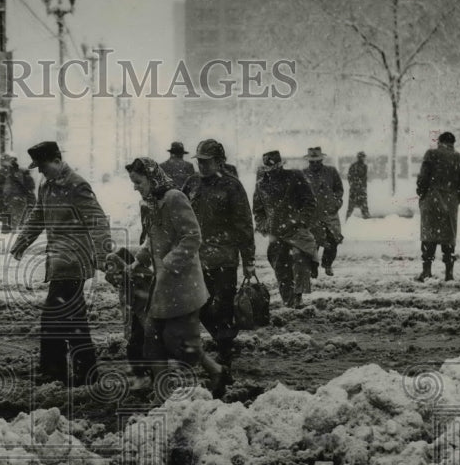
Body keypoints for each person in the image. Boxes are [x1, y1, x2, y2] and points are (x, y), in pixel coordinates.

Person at [121, 157, 228, 397]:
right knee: (153, 337)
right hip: (162, 285)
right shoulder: (150, 203)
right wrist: (140, 260)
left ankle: (216, 371)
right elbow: (153, 237)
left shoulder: (174, 198)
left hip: (182, 285)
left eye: (138, 181)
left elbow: (192, 237)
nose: (135, 187)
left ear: (151, 178)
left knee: (179, 341)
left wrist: (168, 263)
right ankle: (164, 391)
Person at [10, 141, 112, 387]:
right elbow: (39, 215)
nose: (41, 173)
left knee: (54, 316)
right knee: (72, 318)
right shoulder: (47, 185)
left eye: (43, 167)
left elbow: (97, 222)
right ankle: (83, 372)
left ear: (57, 161)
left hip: (74, 261)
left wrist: (104, 256)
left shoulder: (76, 185)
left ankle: (56, 371)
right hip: (58, 261)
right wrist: (22, 241)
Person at [182, 138, 256, 386]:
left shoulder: (232, 186)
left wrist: (248, 259)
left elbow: (244, 224)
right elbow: (178, 213)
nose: (201, 166)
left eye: (206, 161)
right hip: (196, 259)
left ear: (219, 162)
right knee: (199, 306)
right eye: (199, 161)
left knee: (223, 308)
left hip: (224, 258)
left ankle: (225, 357)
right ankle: (225, 340)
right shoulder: (191, 184)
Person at [252, 150, 318, 308]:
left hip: (296, 231)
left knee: (300, 262)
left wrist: (300, 221)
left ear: (281, 165)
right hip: (275, 234)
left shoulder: (295, 177)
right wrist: (265, 226)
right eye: (269, 169)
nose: (273, 171)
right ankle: (288, 301)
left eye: (276, 167)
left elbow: (309, 202)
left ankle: (298, 298)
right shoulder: (261, 184)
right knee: (281, 267)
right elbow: (258, 211)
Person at [415, 131, 460, 282]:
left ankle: (426, 271)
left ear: (439, 142)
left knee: (429, 236)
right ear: (453, 143)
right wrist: (456, 197)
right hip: (450, 201)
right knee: (448, 237)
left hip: (431, 199)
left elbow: (423, 178)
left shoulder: (431, 154)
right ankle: (449, 273)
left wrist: (422, 193)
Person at [104, 246, 152, 380]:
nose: (116, 278)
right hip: (137, 316)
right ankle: (143, 372)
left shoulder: (137, 279)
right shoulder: (126, 282)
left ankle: (143, 374)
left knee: (137, 344)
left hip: (142, 317)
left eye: (118, 273)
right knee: (137, 343)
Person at [302, 146, 344, 276]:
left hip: (329, 214)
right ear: (309, 161)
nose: (315, 164)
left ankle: (327, 264)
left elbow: (339, 190)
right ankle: (313, 268)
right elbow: (298, 193)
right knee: (312, 242)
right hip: (312, 215)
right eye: (312, 161)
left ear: (321, 160)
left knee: (332, 240)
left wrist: (335, 203)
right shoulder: (303, 174)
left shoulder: (331, 171)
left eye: (317, 161)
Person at [2, 156, 36, 231]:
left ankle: (14, 229)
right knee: (22, 214)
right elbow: (31, 188)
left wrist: (6, 197)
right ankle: (20, 227)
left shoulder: (10, 176)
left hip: (14, 197)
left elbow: (7, 189)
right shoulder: (23, 176)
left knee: (14, 214)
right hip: (22, 197)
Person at [346, 152, 370, 219]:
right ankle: (348, 221)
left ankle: (367, 221)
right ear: (359, 157)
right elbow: (350, 177)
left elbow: (364, 178)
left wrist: (362, 187)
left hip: (361, 190)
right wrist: (354, 185)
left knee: (364, 208)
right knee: (351, 207)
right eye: (362, 157)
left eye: (364, 157)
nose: (363, 158)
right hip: (355, 190)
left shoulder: (364, 166)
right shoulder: (354, 166)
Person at [0, 154, 13, 232]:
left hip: (3, 195)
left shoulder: (1, 171)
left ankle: (5, 228)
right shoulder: (13, 170)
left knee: (4, 211)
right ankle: (9, 226)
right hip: (11, 195)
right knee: (9, 211)